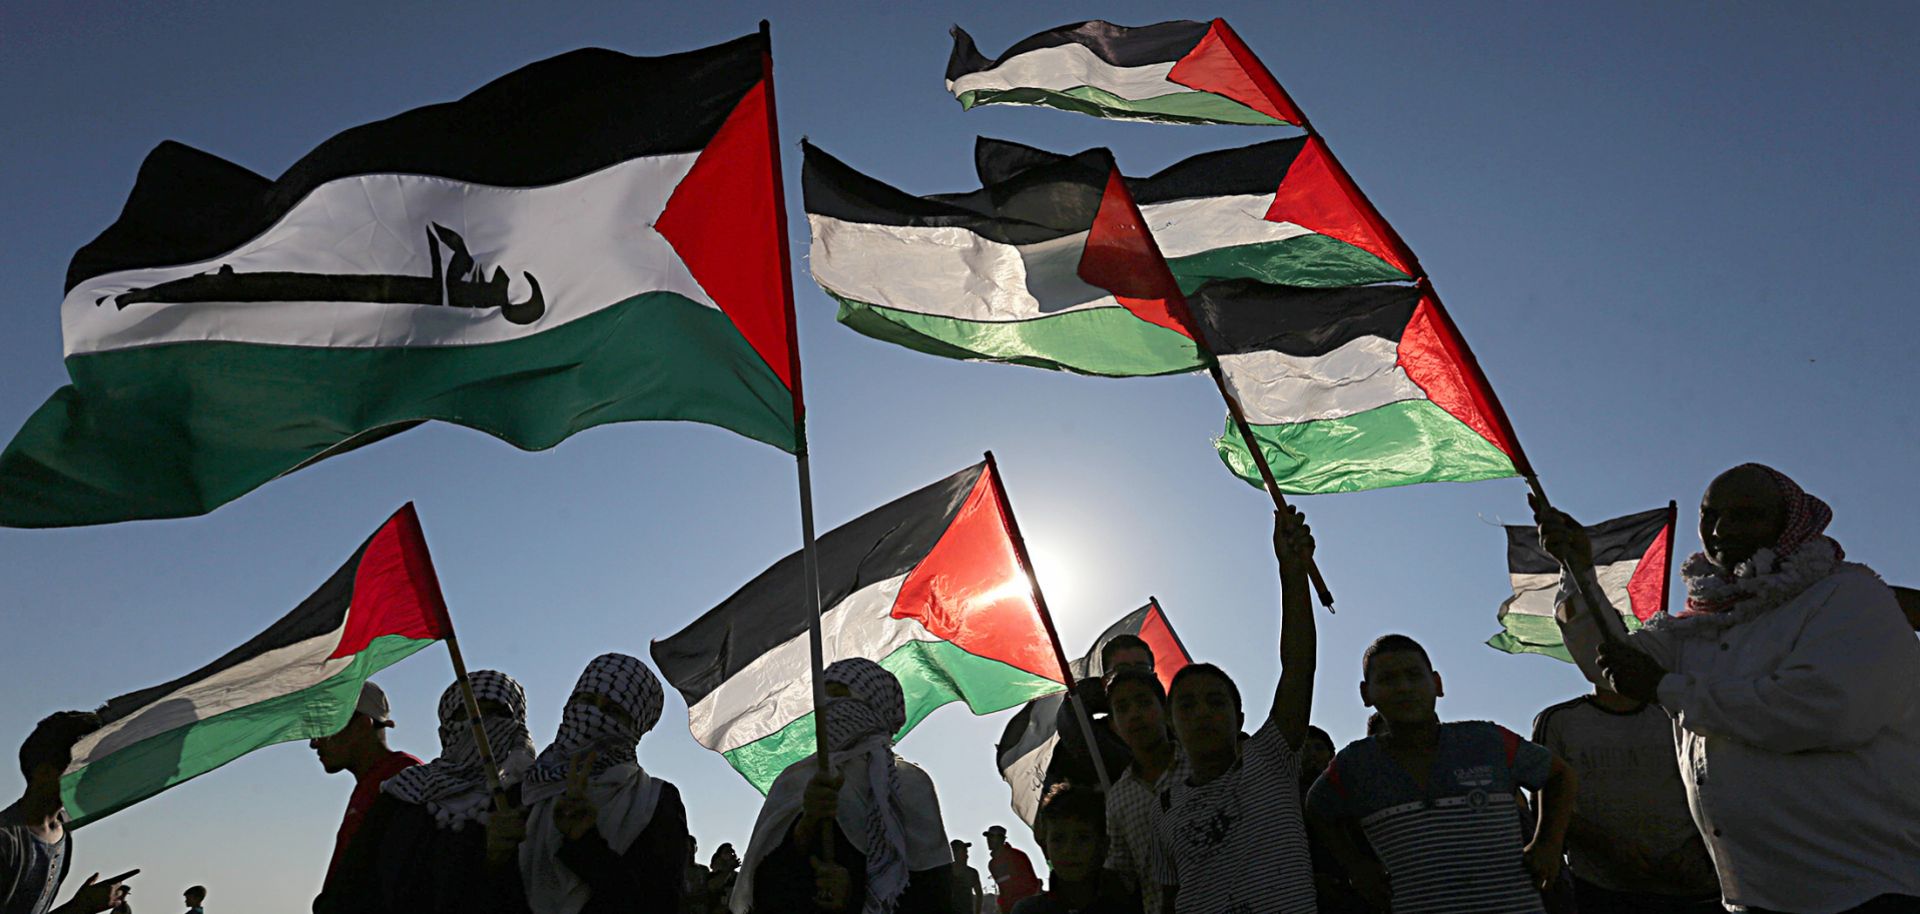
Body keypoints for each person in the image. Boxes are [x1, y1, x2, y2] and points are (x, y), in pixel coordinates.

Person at [1536, 464, 1920, 913]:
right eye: (1710, 515)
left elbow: (1823, 712)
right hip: (1754, 897)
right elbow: (1613, 665)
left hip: (1862, 892)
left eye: (1744, 515)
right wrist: (1578, 570)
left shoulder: (1848, 598)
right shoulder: (1705, 620)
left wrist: (1667, 690)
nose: (1720, 529)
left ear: (1788, 522)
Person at [1306, 634, 1578, 913]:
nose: (1403, 687)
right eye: (1387, 679)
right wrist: (1356, 865)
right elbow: (1316, 808)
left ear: (1437, 684)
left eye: (1414, 675)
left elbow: (1559, 775)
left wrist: (1548, 843)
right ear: (1366, 694)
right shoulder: (1354, 764)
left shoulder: (1487, 740)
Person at [1152, 507, 1319, 914]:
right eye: (1187, 706)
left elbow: (1298, 666)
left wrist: (1292, 574)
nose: (1202, 713)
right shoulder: (1164, 808)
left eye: (1215, 702)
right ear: (1172, 726)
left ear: (1240, 719)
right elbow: (1170, 898)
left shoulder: (1272, 760)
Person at [736, 659, 953, 913]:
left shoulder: (910, 785)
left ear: (877, 704)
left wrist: (855, 896)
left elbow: (934, 892)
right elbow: (766, 889)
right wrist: (806, 824)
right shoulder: (799, 779)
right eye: (824, 699)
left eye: (841, 696)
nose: (830, 708)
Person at [315, 670, 537, 914]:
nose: (481, 725)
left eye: (496, 714)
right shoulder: (409, 792)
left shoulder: (532, 795)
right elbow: (371, 882)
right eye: (466, 714)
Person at [485, 653, 689, 914]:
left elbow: (660, 902)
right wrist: (491, 857)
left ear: (636, 727)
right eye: (586, 701)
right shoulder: (518, 794)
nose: (592, 715)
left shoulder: (653, 801)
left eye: (612, 711)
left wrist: (585, 844)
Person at [1532, 686, 1719, 913]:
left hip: (1693, 884)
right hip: (1602, 889)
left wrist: (1700, 846)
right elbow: (1546, 807)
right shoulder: (1559, 720)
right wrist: (1607, 846)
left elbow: (1722, 787)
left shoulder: (1679, 714)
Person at [2, 710, 133, 914]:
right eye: (83, 766)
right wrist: (80, 907)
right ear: (44, 773)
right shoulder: (6, 841)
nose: (94, 776)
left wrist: (79, 907)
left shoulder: (62, 832)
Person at [311, 681, 422, 892]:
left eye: (325, 728)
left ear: (362, 725)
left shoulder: (404, 780)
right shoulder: (374, 781)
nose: (314, 743)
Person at [1098, 666, 1182, 914]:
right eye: (1122, 708)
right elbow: (1123, 873)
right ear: (1114, 726)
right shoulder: (1117, 798)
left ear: (1165, 711)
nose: (1134, 714)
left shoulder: (1199, 764)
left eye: (1144, 702)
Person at [1012, 784, 1139, 914]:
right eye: (1058, 839)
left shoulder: (1131, 905)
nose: (1069, 850)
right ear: (1046, 848)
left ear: (1103, 846)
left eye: (1082, 838)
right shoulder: (1029, 911)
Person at [982, 827, 1040, 913]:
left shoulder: (1018, 856)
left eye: (992, 837)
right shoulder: (992, 864)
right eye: (988, 837)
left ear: (1001, 839)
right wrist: (1001, 906)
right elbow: (1003, 890)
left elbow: (1033, 884)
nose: (988, 840)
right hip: (1008, 909)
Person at [949, 840, 983, 914]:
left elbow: (979, 895)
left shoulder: (972, 873)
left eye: (966, 852)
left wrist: (977, 912)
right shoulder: (946, 871)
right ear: (954, 853)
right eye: (963, 851)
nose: (967, 855)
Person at [708, 844, 740, 913]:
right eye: (727, 852)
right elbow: (713, 886)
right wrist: (729, 869)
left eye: (732, 852)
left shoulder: (738, 876)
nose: (732, 854)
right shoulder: (712, 876)